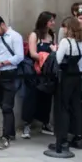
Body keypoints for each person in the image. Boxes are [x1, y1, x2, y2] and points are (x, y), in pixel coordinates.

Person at [0, 15, 24, 150]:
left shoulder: (15, 37)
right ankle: (11, 133)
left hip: (10, 73)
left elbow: (19, 56)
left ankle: (6, 136)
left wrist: (2, 63)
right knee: (3, 105)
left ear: (2, 24)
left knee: (7, 106)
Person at [21, 11, 56, 139]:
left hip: (47, 73)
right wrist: (45, 58)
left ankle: (45, 123)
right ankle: (27, 124)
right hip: (35, 71)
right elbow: (33, 53)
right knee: (31, 98)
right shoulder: (34, 35)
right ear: (44, 21)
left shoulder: (52, 34)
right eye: (51, 20)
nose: (53, 23)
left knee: (46, 98)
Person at [52, 16, 82, 151]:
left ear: (69, 28)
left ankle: (63, 139)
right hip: (76, 73)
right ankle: (78, 137)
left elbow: (58, 60)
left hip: (65, 76)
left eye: (64, 27)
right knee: (76, 106)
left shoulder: (66, 42)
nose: (63, 29)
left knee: (63, 106)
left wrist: (54, 50)